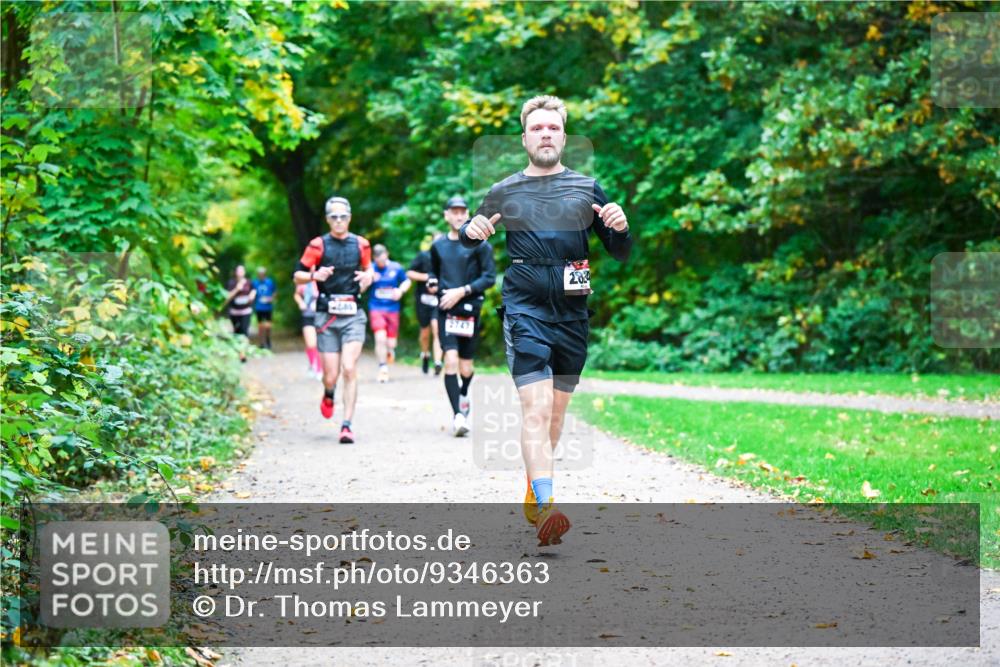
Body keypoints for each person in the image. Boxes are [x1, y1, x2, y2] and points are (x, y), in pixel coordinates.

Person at [460, 95, 633, 546]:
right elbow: (470, 235)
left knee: (555, 415)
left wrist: (620, 226)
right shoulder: (505, 190)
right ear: (524, 138)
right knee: (534, 409)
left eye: (553, 128)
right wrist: (470, 231)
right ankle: (549, 505)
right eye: (537, 128)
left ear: (564, 136)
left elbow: (620, 251)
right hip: (525, 310)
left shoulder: (588, 188)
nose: (545, 135)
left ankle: (535, 489)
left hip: (573, 314)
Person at [293, 196, 375, 444]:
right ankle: (329, 392)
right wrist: (314, 275)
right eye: (334, 217)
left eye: (343, 216)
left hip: (353, 314)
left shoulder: (361, 244)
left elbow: (369, 270)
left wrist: (368, 277)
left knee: (349, 368)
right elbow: (297, 276)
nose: (339, 221)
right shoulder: (317, 245)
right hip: (327, 316)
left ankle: (347, 425)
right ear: (328, 220)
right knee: (330, 375)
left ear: (349, 218)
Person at [429, 196, 496, 437]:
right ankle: (458, 415)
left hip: (469, 311)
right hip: (446, 309)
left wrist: (462, 291)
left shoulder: (481, 245)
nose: (458, 216)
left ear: (468, 214)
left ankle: (464, 392)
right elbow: (433, 273)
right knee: (450, 360)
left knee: (466, 368)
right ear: (446, 215)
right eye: (453, 212)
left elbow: (489, 278)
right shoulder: (437, 246)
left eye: (462, 212)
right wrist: (431, 283)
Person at [368, 244, 411, 383]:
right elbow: (360, 285)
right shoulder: (370, 268)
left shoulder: (396, 267)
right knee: (380, 338)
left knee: (391, 343)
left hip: (392, 309)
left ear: (386, 254)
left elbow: (406, 281)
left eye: (382, 255)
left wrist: (400, 291)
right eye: (377, 257)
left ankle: (389, 351)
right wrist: (369, 279)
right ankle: (383, 367)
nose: (380, 259)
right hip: (376, 308)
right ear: (374, 258)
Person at [407, 231, 444, 375]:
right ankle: (425, 355)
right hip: (422, 300)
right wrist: (427, 277)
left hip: (438, 300)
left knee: (437, 329)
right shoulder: (423, 256)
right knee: (424, 333)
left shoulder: (447, 259)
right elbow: (410, 273)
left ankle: (438, 362)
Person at [224, 265, 255, 363]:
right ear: (235, 272)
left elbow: (254, 291)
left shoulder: (249, 282)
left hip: (246, 311)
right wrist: (237, 289)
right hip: (234, 312)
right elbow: (227, 297)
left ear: (244, 272)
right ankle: (238, 352)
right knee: (237, 332)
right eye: (238, 270)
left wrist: (251, 296)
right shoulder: (231, 283)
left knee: (245, 331)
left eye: (242, 270)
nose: (240, 272)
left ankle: (243, 354)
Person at [293, 278, 322, 379]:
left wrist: (318, 303)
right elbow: (296, 294)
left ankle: (317, 368)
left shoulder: (322, 280)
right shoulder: (303, 281)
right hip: (307, 315)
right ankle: (315, 368)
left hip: (321, 316)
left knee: (320, 343)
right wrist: (301, 302)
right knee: (311, 344)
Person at [252, 267, 276, 349]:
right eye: (259, 274)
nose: (261, 275)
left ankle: (268, 340)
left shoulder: (270, 282)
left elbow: (274, 292)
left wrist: (270, 299)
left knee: (268, 326)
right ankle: (261, 343)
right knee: (260, 326)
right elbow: (252, 293)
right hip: (259, 307)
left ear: (265, 274)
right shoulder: (255, 283)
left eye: (262, 274)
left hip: (268, 307)